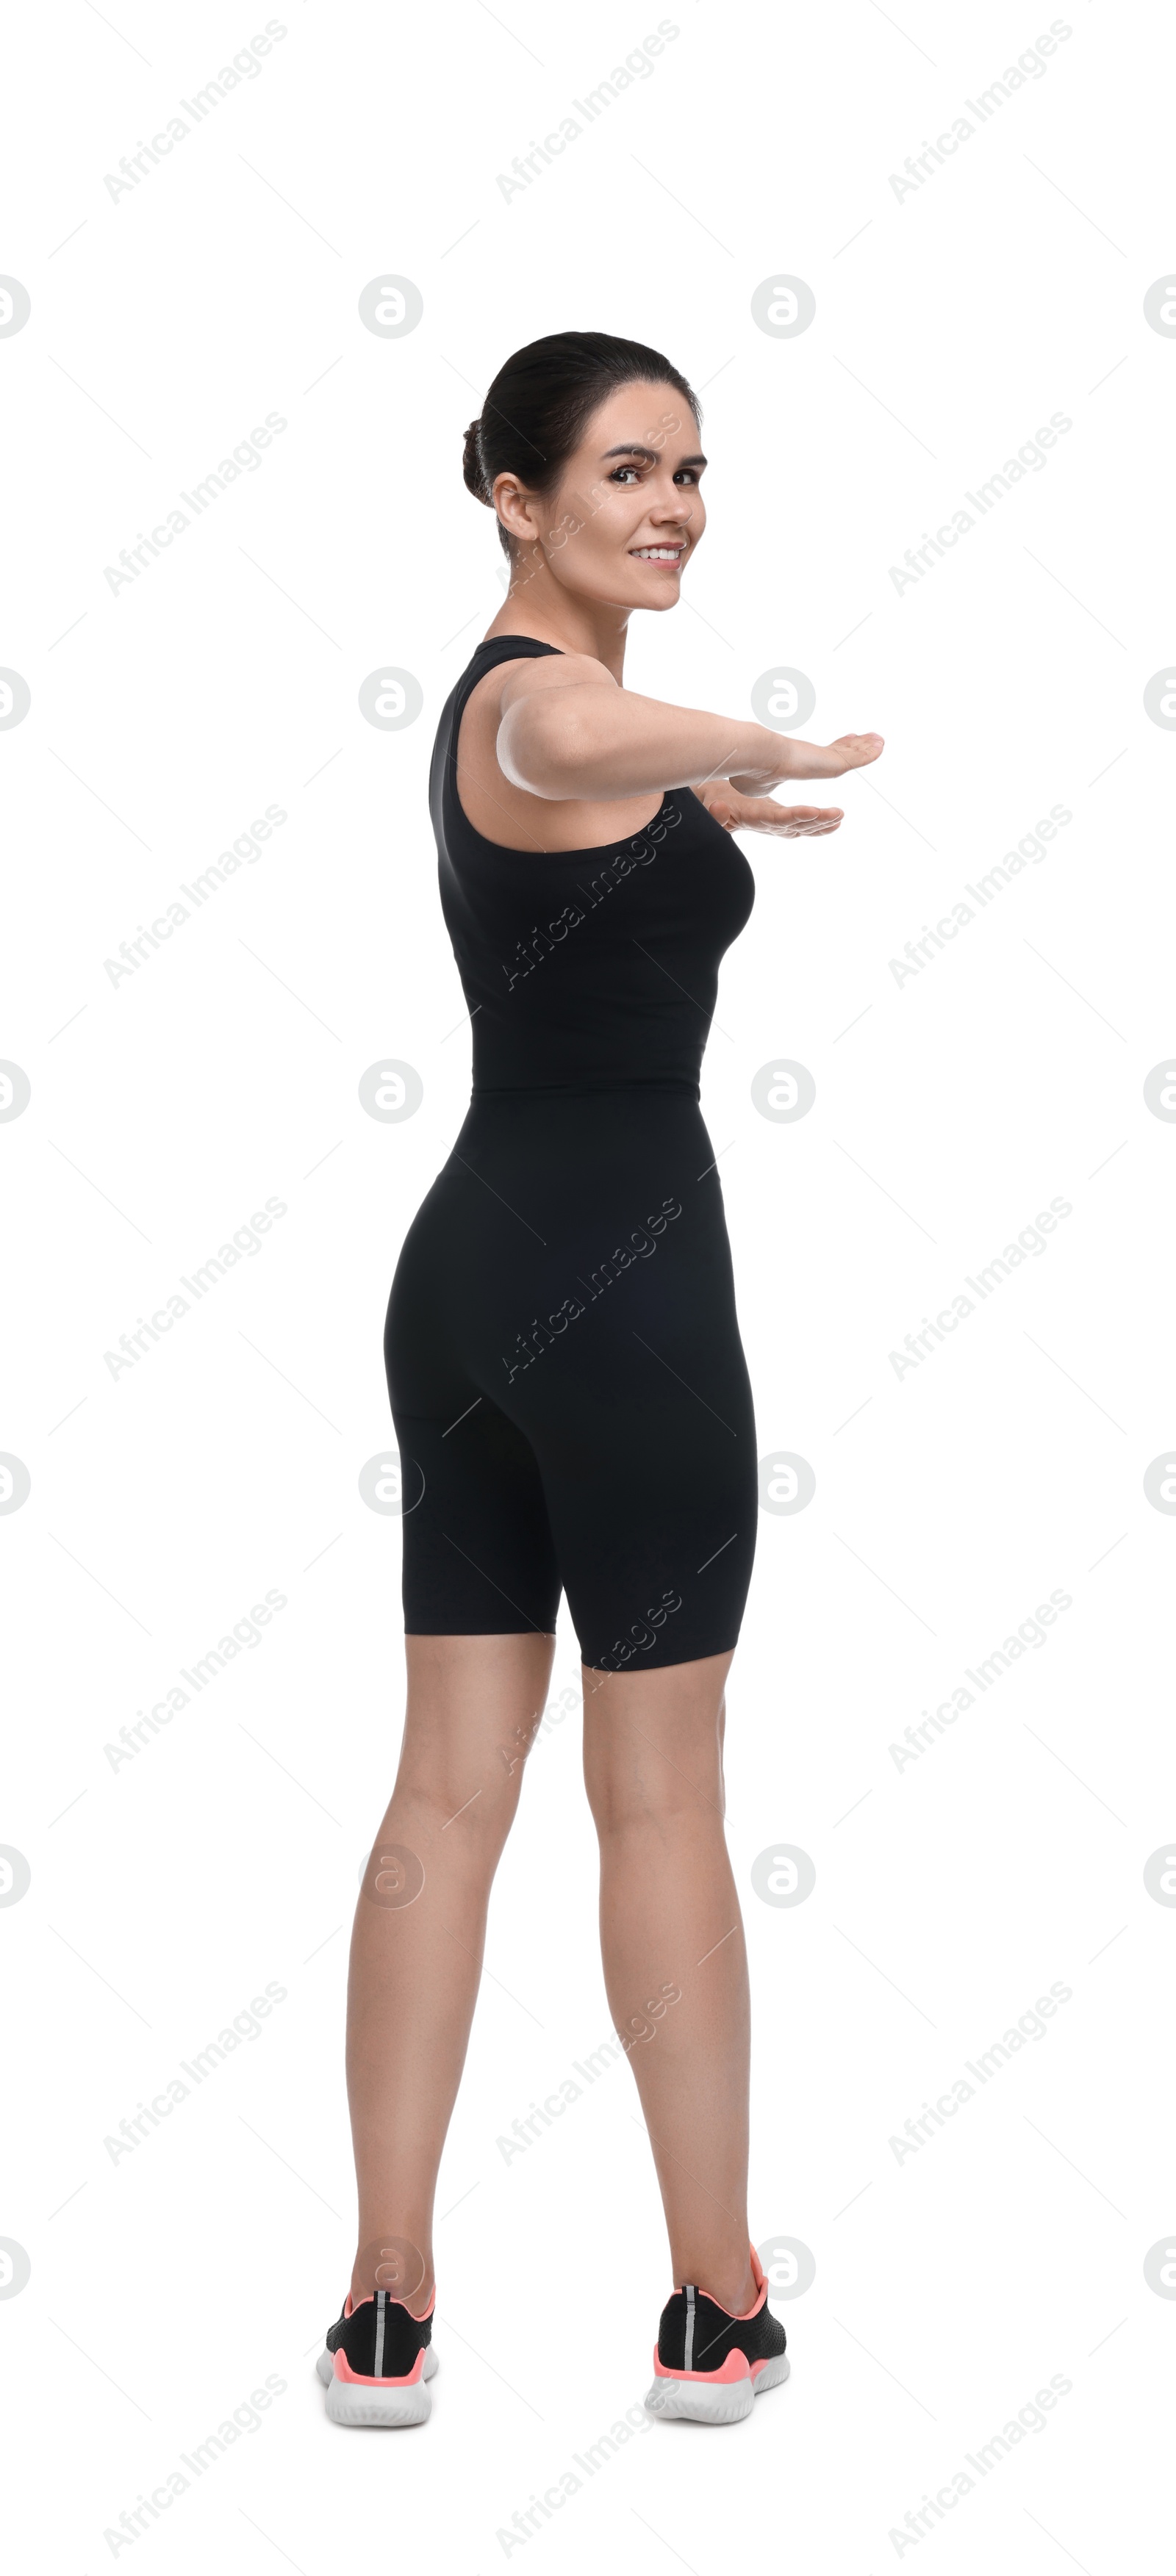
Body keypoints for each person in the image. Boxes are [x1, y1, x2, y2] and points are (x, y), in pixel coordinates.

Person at [317, 332, 883, 2428]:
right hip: (628, 1299)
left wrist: (708, 791)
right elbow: (571, 731)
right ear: (512, 494)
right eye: (629, 470)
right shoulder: (538, 694)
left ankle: (386, 2299)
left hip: (465, 1282)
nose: (673, 506)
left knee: (446, 1791)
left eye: (695, 471)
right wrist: (760, 736)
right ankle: (716, 2302)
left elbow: (587, 777)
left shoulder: (552, 726)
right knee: (658, 1792)